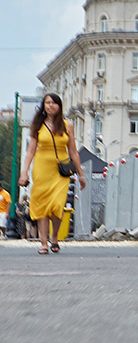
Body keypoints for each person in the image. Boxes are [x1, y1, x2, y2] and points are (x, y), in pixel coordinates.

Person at [17, 93, 86, 254]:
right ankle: (43, 242)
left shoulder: (67, 125)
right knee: (42, 205)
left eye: (54, 103)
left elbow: (74, 151)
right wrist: (24, 172)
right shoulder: (38, 125)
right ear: (44, 106)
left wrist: (80, 174)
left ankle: (54, 236)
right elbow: (30, 151)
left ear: (59, 106)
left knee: (57, 204)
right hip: (42, 169)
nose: (50, 106)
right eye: (47, 103)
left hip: (61, 170)